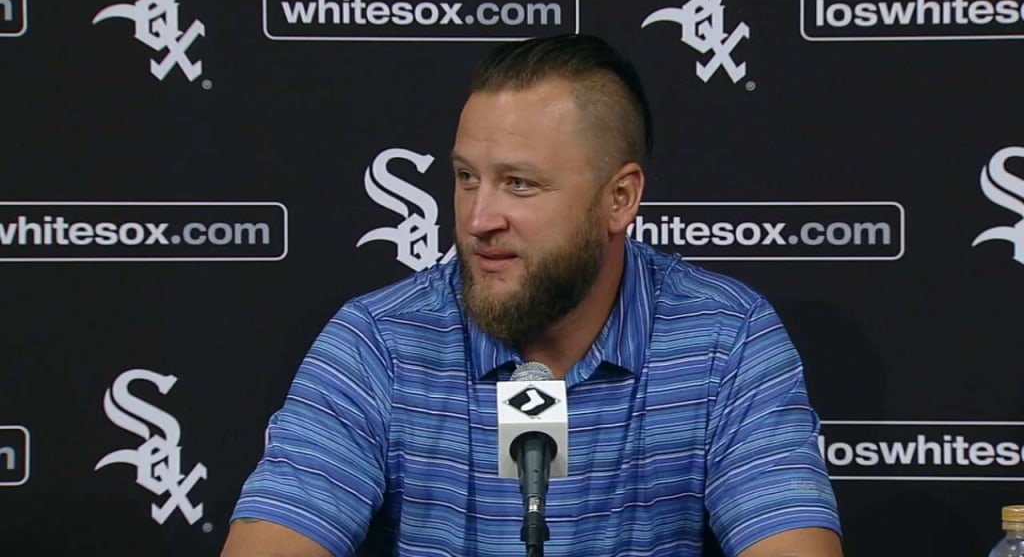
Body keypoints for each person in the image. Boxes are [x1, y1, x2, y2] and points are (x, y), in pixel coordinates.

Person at [220, 33, 843, 557]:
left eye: (519, 184)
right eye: (467, 178)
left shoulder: (723, 338)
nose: (477, 218)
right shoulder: (380, 344)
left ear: (619, 199)